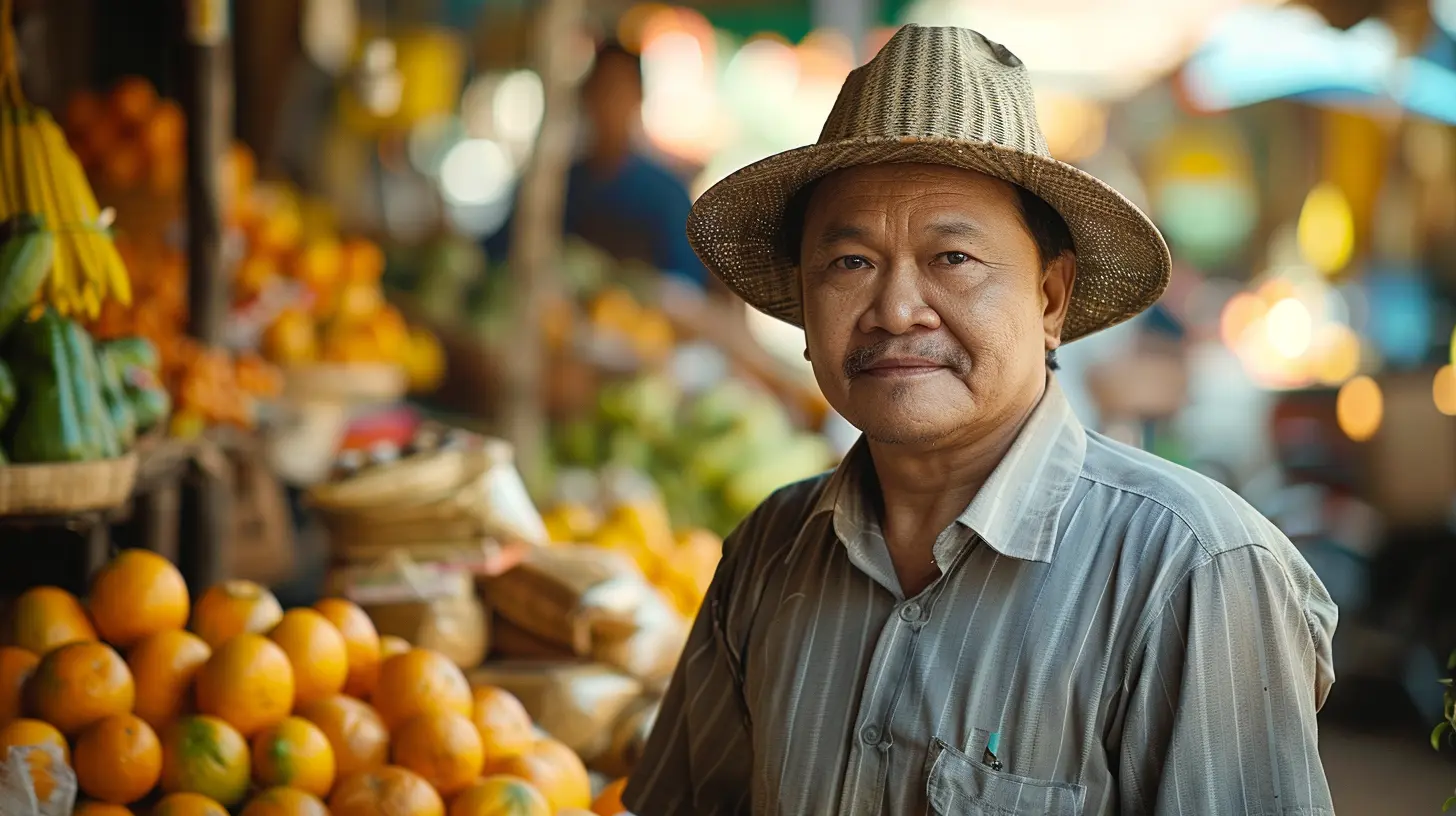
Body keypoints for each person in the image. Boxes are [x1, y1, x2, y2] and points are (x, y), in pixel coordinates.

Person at [625, 25, 1336, 816]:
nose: (895, 309)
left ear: (1050, 298)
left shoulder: (1192, 573)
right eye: (851, 262)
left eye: (952, 259)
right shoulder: (768, 553)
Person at [484, 40, 707, 288]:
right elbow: (500, 249)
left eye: (619, 91)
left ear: (638, 97)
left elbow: (687, 286)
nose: (609, 103)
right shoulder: (556, 186)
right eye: (602, 89)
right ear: (585, 96)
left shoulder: (667, 196)